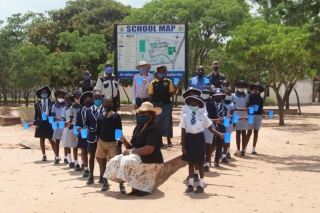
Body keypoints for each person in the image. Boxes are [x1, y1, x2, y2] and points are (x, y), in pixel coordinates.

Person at [104, 102, 164, 197]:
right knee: (115, 160)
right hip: (138, 155)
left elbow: (149, 149)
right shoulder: (138, 127)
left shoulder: (154, 129)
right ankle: (135, 187)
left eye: (144, 113)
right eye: (140, 113)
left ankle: (144, 188)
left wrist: (131, 152)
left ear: (151, 115)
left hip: (151, 159)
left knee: (126, 161)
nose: (141, 115)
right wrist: (124, 141)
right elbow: (132, 147)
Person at [180, 95, 223, 194]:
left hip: (199, 138)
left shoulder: (203, 116)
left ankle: (201, 184)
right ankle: (190, 184)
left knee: (200, 162)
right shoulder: (186, 116)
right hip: (189, 138)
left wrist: (219, 134)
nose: (193, 105)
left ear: (199, 106)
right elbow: (183, 131)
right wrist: (183, 145)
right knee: (191, 162)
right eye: (191, 104)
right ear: (189, 105)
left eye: (195, 104)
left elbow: (210, 128)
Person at [95, 97, 125, 192]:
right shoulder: (100, 117)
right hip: (101, 142)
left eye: (109, 103)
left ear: (112, 104)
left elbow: (119, 130)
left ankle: (121, 184)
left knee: (116, 164)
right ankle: (105, 182)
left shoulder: (116, 116)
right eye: (105, 103)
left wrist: (119, 145)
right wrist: (89, 132)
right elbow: (97, 131)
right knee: (102, 162)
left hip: (113, 143)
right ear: (103, 104)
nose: (107, 105)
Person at [149, 65, 181, 147]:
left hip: (166, 104)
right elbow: (150, 95)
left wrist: (177, 87)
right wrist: (150, 106)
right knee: (157, 122)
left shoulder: (168, 82)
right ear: (157, 73)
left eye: (163, 71)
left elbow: (171, 94)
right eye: (160, 71)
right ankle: (159, 141)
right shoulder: (153, 83)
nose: (161, 73)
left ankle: (168, 140)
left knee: (167, 122)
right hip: (156, 105)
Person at [29, 85, 56, 161]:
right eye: (42, 92)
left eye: (45, 92)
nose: (44, 93)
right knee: (42, 139)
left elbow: (54, 113)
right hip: (40, 123)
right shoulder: (37, 103)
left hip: (49, 122)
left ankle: (56, 154)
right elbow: (36, 114)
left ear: (48, 93)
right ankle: (44, 155)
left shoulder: (52, 102)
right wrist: (34, 122)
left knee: (51, 139)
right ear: (40, 94)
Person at [85, 90, 103, 185]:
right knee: (91, 156)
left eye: (99, 98)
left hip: (102, 137)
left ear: (102, 98)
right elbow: (87, 123)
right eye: (95, 98)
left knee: (101, 157)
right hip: (92, 136)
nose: (97, 100)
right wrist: (86, 129)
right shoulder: (89, 110)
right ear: (93, 99)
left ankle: (101, 176)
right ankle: (91, 176)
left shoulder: (105, 109)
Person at [75, 91, 93, 177]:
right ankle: (86, 168)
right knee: (84, 151)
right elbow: (77, 123)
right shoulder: (79, 112)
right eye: (86, 100)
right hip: (83, 134)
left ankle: (97, 170)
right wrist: (78, 129)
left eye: (90, 100)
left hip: (93, 134)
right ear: (83, 101)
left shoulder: (94, 111)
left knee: (94, 153)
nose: (88, 101)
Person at [246, 83, 265, 155]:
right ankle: (244, 148)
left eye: (257, 89)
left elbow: (261, 108)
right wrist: (251, 106)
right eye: (255, 89)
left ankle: (253, 148)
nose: (255, 90)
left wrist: (264, 111)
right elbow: (247, 105)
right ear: (252, 89)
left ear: (259, 91)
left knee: (256, 132)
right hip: (250, 115)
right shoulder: (249, 96)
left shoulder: (260, 99)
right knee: (249, 131)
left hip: (258, 115)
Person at [231, 80, 249, 157]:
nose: (240, 88)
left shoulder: (247, 96)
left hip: (244, 115)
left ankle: (243, 150)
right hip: (236, 115)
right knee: (238, 132)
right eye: (239, 87)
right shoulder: (233, 95)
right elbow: (232, 106)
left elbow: (248, 104)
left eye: (242, 87)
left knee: (244, 132)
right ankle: (238, 149)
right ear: (237, 87)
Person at [61, 94, 78, 169]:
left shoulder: (74, 107)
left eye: (68, 99)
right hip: (67, 129)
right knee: (67, 145)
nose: (67, 101)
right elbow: (63, 118)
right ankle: (70, 161)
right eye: (65, 99)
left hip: (74, 128)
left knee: (75, 145)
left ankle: (76, 161)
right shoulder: (64, 109)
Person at [51, 89, 67, 164]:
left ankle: (66, 157)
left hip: (65, 125)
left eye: (62, 97)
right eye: (59, 96)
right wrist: (55, 119)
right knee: (57, 141)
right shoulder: (54, 106)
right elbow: (52, 116)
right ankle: (57, 156)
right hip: (57, 126)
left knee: (66, 142)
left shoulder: (66, 106)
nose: (61, 98)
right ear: (57, 97)